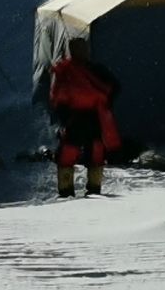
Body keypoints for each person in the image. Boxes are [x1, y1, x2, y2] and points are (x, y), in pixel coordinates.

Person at [36, 34, 123, 198]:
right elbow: (57, 96)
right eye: (78, 48)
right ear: (72, 50)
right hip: (75, 117)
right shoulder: (65, 70)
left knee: (96, 151)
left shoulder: (94, 69)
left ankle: (94, 190)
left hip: (92, 116)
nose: (82, 51)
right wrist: (64, 116)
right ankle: (66, 191)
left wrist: (104, 105)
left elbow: (114, 87)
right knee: (69, 152)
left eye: (83, 47)